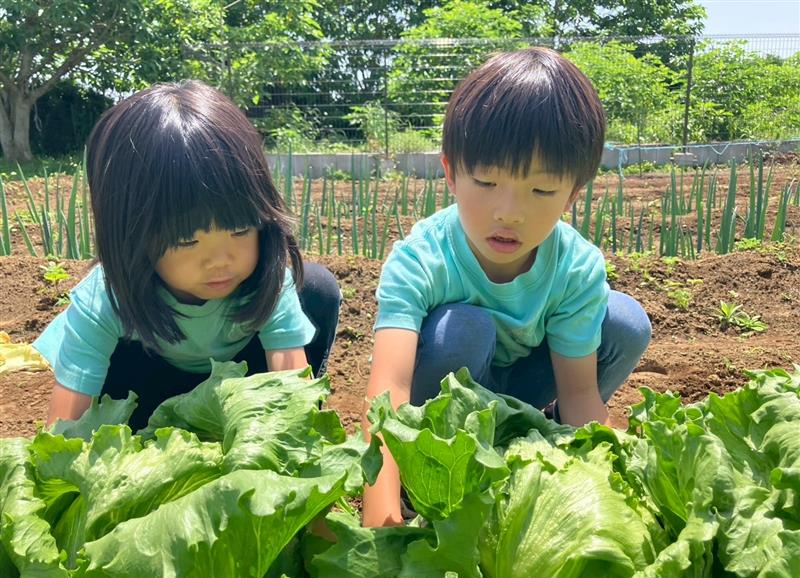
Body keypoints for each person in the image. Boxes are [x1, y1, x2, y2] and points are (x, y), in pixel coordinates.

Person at [361, 47, 651, 527]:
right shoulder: (420, 259)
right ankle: (426, 472)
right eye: (486, 182)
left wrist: (605, 497)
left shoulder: (575, 267)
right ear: (451, 173)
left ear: (573, 194)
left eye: (541, 190)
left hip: (524, 389)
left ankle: (540, 443)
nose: (509, 213)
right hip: (440, 403)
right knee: (463, 329)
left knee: (623, 322)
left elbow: (580, 395)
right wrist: (380, 526)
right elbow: (388, 392)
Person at [34, 80, 341, 431]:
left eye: (240, 230)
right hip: (144, 393)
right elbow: (65, 429)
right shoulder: (105, 297)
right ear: (132, 237)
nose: (220, 260)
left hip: (235, 394)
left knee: (316, 289)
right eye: (186, 240)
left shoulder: (265, 282)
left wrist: (290, 441)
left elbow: (292, 394)